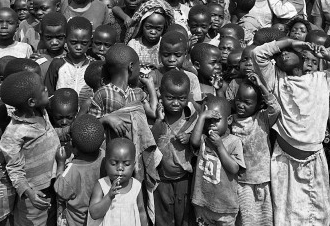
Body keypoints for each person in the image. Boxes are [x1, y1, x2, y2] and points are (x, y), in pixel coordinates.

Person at [252, 38, 330, 226]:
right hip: (284, 159)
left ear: (304, 57)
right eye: (279, 54)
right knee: (286, 213)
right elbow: (258, 54)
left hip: (313, 160)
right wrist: (289, 41)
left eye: (289, 51)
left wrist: (328, 56)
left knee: (315, 215)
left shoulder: (323, 80)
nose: (283, 54)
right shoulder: (276, 79)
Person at [0, 71, 60, 224]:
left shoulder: (42, 112)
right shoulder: (14, 132)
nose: (47, 89)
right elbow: (14, 169)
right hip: (35, 193)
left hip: (53, 184)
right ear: (32, 102)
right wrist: (29, 192)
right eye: (43, 89)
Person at [231, 74, 279, 226]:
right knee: (246, 219)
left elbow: (275, 107)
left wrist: (262, 85)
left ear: (258, 105)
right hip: (242, 182)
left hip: (263, 181)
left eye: (247, 102)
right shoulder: (231, 120)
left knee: (265, 219)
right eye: (238, 99)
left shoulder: (262, 118)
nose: (240, 104)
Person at [190, 95, 245, 225]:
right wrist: (202, 116)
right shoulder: (204, 138)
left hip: (224, 208)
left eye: (217, 120)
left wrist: (220, 146)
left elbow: (234, 168)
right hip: (203, 203)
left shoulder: (233, 142)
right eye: (209, 121)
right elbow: (194, 141)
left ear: (229, 120)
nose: (212, 125)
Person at [151, 70, 195, 226]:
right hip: (161, 179)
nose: (176, 103)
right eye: (170, 98)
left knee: (183, 216)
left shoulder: (191, 118)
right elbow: (151, 142)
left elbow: (199, 143)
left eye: (181, 98)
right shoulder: (156, 116)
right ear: (161, 94)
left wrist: (189, 138)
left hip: (184, 179)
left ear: (188, 96)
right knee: (163, 217)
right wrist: (158, 120)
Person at [55, 114, 105, 226]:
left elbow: (60, 190)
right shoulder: (104, 157)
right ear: (102, 140)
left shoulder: (72, 170)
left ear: (72, 144)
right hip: (98, 219)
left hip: (76, 221)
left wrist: (61, 163)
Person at [88, 137, 147, 226]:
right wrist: (109, 196)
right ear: (105, 164)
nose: (120, 168)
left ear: (133, 165)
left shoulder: (136, 186)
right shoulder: (102, 185)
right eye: (114, 163)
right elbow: (94, 214)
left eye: (126, 164)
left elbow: (141, 212)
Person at [44, 17, 94, 113]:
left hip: (85, 116)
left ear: (90, 41)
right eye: (74, 42)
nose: (78, 47)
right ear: (66, 39)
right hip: (60, 117)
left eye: (84, 43)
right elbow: (49, 93)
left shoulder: (92, 66)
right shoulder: (57, 64)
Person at [125, 0, 174, 69]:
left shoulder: (165, 45)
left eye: (158, 29)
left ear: (164, 28)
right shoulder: (133, 45)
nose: (153, 32)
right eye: (148, 27)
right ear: (141, 25)